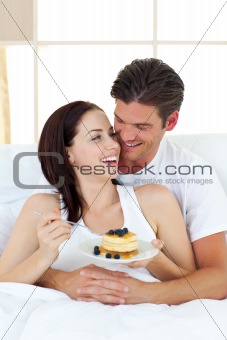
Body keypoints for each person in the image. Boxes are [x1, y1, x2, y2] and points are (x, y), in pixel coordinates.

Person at [36, 58, 227, 305]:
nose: (124, 137)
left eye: (141, 126)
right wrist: (59, 280)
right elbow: (30, 256)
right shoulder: (76, 159)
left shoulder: (193, 175)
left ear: (170, 122)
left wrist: (142, 294)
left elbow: (219, 278)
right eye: (120, 121)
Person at [0, 101, 196, 293]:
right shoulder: (44, 209)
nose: (113, 144)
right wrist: (44, 256)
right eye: (96, 138)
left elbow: (193, 281)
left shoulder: (154, 200)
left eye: (111, 134)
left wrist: (155, 259)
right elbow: (4, 281)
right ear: (67, 155)